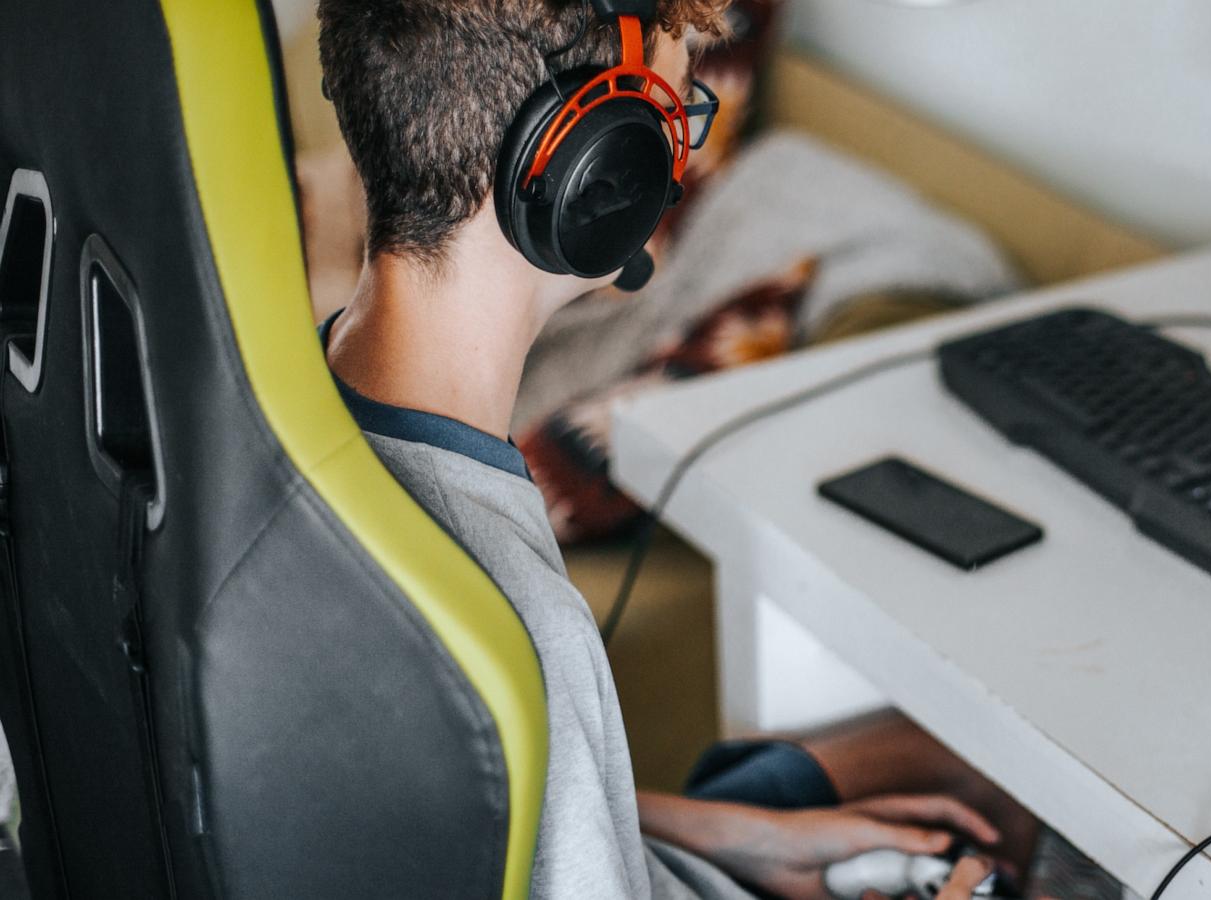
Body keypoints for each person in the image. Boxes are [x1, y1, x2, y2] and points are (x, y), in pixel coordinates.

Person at [315, 0, 1035, 896]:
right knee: (1003, 798)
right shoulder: (518, 619)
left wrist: (734, 832)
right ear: (593, 162)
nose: (680, 155)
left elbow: (478, 810)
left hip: (633, 844)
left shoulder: (289, 398)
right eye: (680, 104)